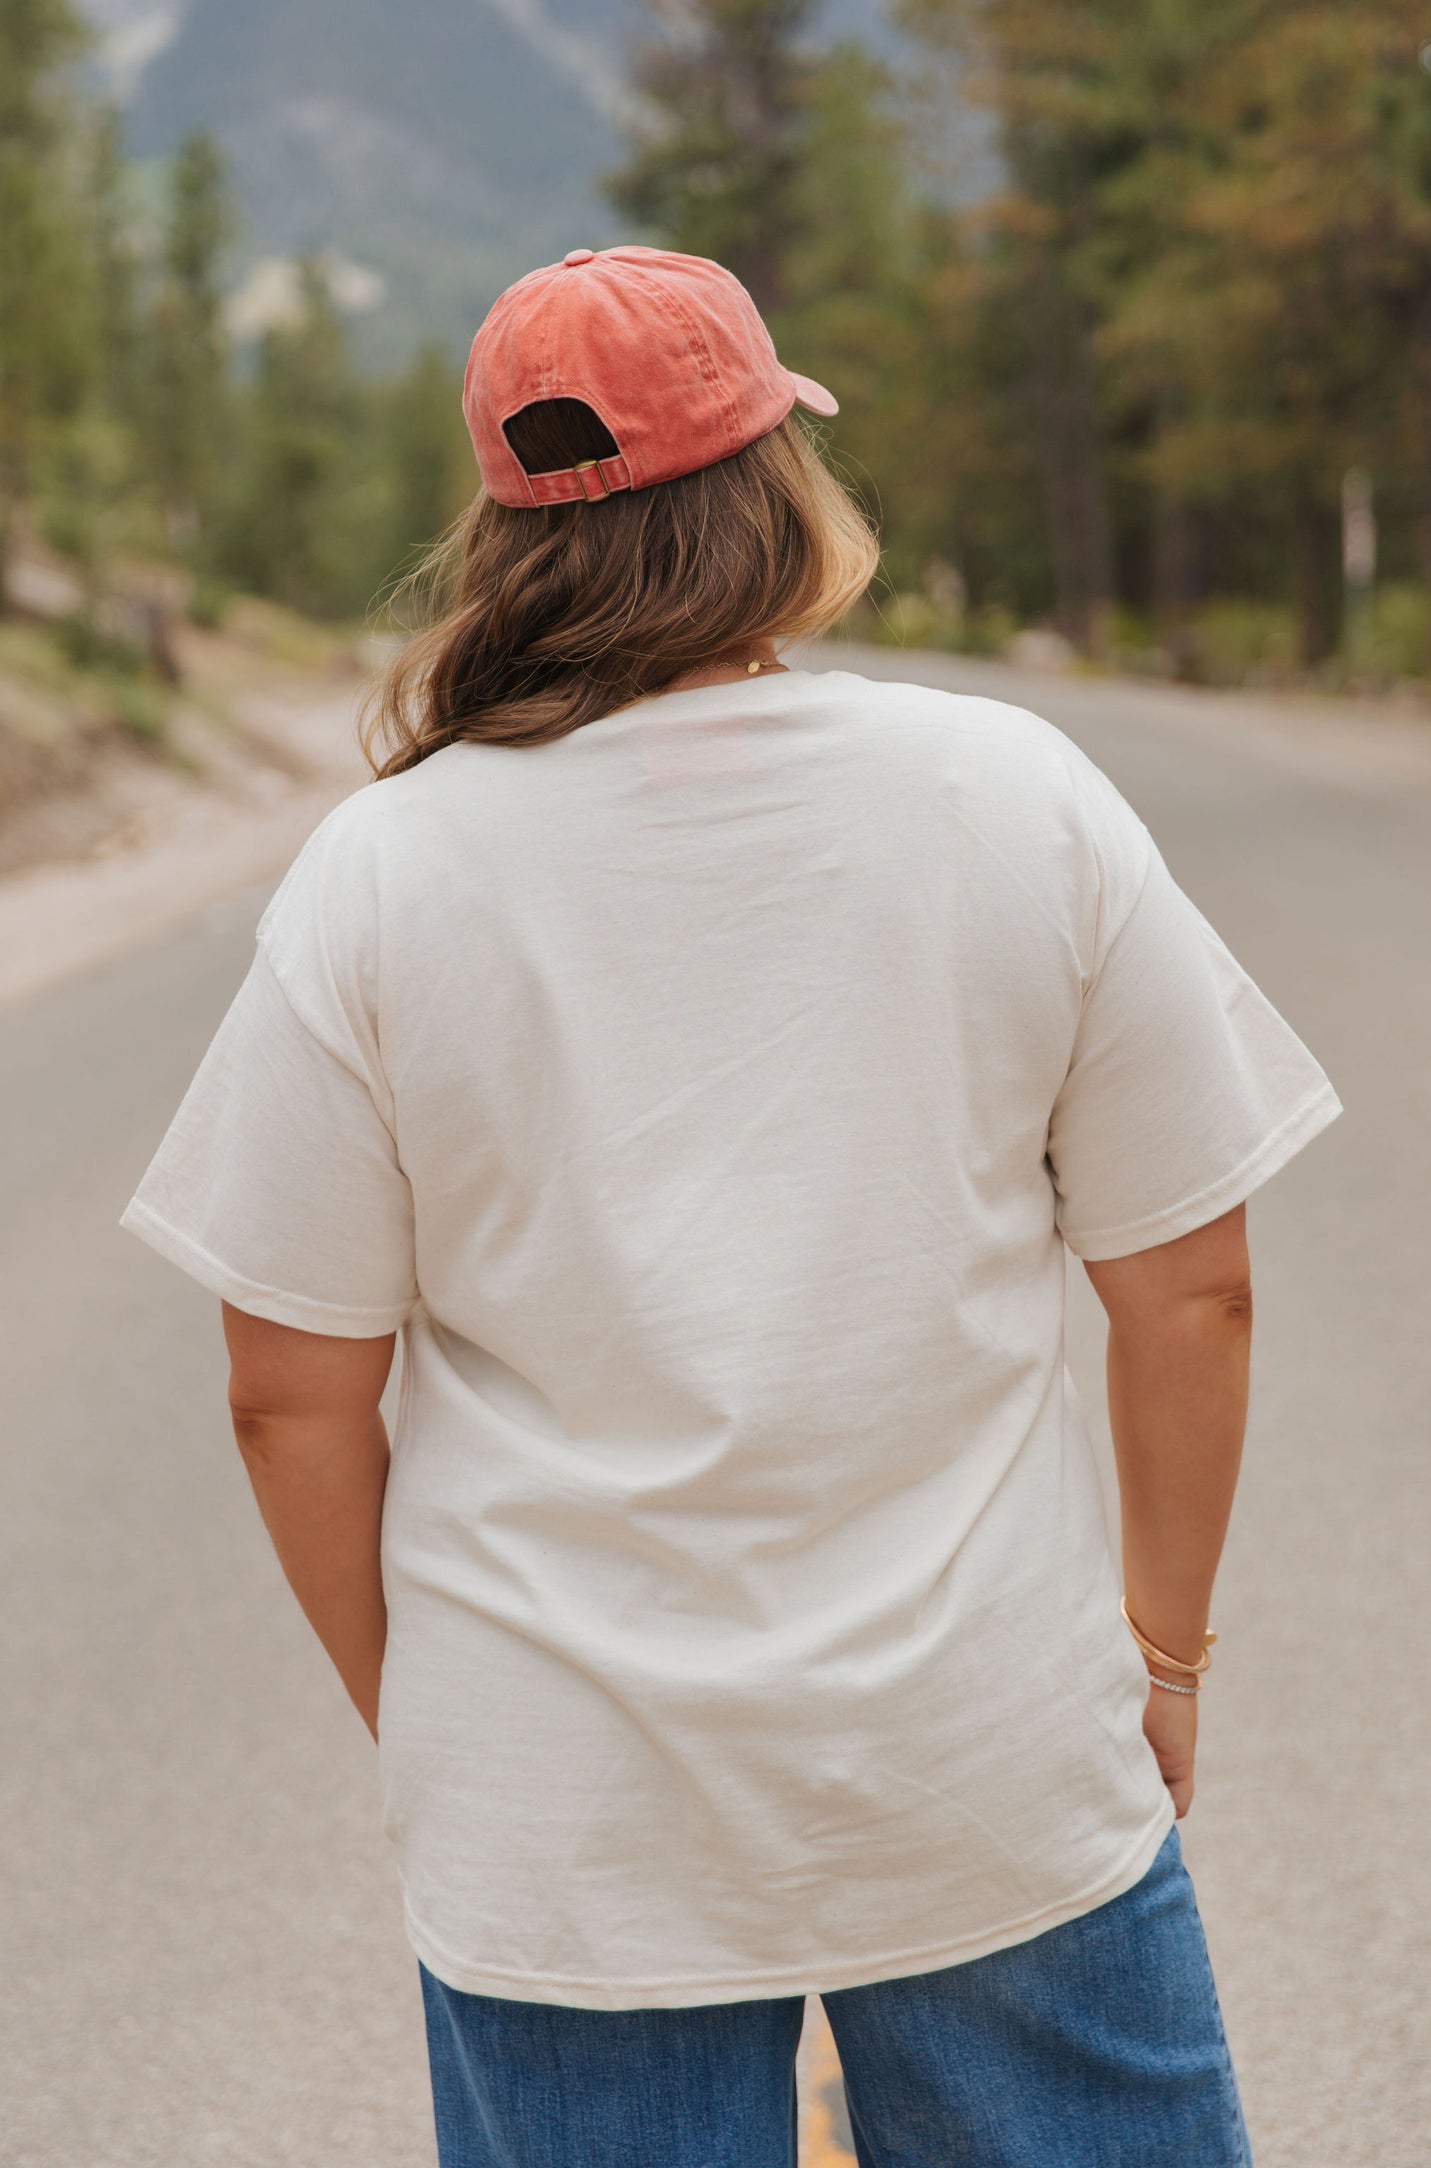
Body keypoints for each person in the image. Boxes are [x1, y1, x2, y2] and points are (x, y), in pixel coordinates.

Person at [122, 245, 1341, 2168]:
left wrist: (444, 1717)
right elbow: (1191, 1285)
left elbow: (287, 1388)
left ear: (508, 533)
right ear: (778, 485)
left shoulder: (382, 877)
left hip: (567, 1813)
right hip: (981, 1759)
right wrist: (1161, 1657)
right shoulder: (1006, 792)